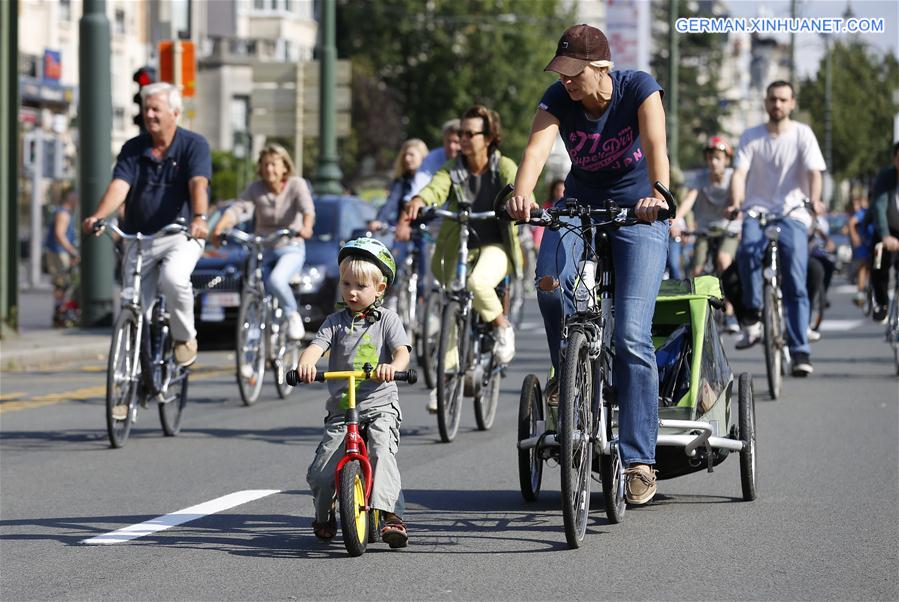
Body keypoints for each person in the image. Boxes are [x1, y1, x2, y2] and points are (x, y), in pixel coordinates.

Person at [505, 24, 671, 505]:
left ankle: (639, 461)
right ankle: (568, 367)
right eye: (562, 72)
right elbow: (536, 149)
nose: (568, 81)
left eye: (575, 73)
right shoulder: (558, 98)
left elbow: (657, 146)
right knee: (550, 288)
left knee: (631, 337)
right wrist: (521, 195)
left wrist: (657, 195)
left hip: (638, 214)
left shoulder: (639, 88)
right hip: (578, 207)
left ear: (602, 68)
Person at [83, 82, 211, 367]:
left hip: (181, 234)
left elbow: (198, 184)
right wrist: (98, 216)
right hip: (139, 237)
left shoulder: (194, 145)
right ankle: (129, 382)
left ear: (175, 112)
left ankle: (184, 337)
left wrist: (200, 218)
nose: (149, 115)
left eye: (156, 109)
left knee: (174, 278)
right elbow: (120, 186)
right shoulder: (133, 148)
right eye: (146, 109)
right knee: (133, 305)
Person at [295, 238, 411, 548]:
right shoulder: (334, 322)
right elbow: (315, 348)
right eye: (346, 284)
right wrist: (305, 365)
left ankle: (391, 517)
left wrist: (393, 367)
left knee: (381, 452)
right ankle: (324, 515)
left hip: (379, 405)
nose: (352, 292)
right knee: (320, 471)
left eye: (360, 285)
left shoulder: (388, 320)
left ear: (380, 289)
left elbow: (402, 352)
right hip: (342, 409)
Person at [404, 105, 524, 366]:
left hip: (495, 246)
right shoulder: (452, 168)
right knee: (452, 304)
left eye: (470, 134)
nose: (462, 139)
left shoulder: (503, 166)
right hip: (459, 247)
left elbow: (520, 190)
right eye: (461, 133)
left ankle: (501, 325)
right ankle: (445, 381)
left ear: (489, 138)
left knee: (477, 283)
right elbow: (436, 188)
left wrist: (521, 205)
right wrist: (419, 199)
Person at [727, 80, 826, 377]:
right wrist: (735, 202)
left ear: (792, 103)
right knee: (746, 251)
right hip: (757, 211)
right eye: (773, 99)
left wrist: (815, 201)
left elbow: (814, 173)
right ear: (765, 102)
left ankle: (799, 351)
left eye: (783, 100)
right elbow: (739, 174)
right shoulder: (751, 136)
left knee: (795, 279)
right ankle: (755, 314)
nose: (777, 105)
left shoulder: (803, 135)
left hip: (792, 212)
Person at [211, 144, 315, 340]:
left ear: (285, 166)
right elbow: (238, 209)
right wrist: (219, 228)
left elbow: (307, 208)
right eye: (265, 164)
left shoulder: (296, 184)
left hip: (290, 246)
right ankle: (253, 337)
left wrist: (306, 227)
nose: (269, 169)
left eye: (274, 164)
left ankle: (292, 314)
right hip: (263, 248)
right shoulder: (255, 189)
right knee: (253, 288)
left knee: (276, 280)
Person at [671, 135, 741, 332]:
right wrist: (677, 218)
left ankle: (730, 312)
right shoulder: (701, 178)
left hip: (728, 229)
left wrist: (734, 207)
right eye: (710, 158)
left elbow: (737, 197)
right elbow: (689, 200)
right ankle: (698, 314)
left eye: (718, 158)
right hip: (704, 230)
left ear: (726, 159)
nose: (713, 162)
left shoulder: (732, 176)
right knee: (696, 270)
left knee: (723, 260)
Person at [368, 138, 429, 259]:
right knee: (394, 260)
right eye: (405, 155)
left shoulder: (431, 180)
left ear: (422, 156)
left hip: (425, 228)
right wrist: (380, 219)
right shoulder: (401, 181)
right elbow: (392, 201)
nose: (407, 158)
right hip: (401, 228)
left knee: (425, 262)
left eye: (411, 155)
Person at [869, 141, 899, 322]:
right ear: (894, 159)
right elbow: (879, 207)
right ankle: (882, 303)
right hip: (888, 230)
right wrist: (885, 235)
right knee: (879, 264)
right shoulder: (886, 178)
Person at [44, 189, 79, 327]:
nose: (77, 200)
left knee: (63, 283)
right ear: (68, 197)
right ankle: (59, 315)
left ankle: (60, 313)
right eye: (75, 197)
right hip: (59, 252)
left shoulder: (66, 213)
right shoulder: (63, 213)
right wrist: (71, 251)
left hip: (60, 252)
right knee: (61, 283)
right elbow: (59, 234)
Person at [845, 194, 872, 308]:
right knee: (863, 265)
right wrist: (855, 236)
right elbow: (852, 222)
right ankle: (860, 292)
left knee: (872, 267)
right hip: (864, 243)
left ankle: (870, 289)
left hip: (874, 242)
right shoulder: (864, 211)